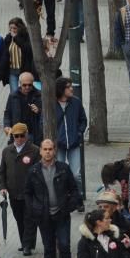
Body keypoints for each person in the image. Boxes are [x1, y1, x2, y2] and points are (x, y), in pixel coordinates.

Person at [24, 139, 83, 258]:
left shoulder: (63, 168)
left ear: (55, 150)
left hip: (61, 215)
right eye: (45, 149)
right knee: (49, 249)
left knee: (64, 246)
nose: (48, 152)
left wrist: (70, 206)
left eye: (50, 149)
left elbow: (74, 189)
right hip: (43, 217)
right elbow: (28, 193)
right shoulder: (34, 171)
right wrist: (34, 210)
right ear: (40, 151)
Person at [0, 122, 41, 256]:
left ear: (26, 135)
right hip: (13, 192)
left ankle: (27, 244)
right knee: (19, 218)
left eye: (22, 136)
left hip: (30, 193)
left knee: (29, 218)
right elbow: (2, 171)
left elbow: (39, 171)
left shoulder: (34, 150)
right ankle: (24, 242)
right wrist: (3, 187)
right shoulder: (7, 151)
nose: (19, 139)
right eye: (16, 136)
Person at [54, 76, 88, 204]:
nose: (71, 89)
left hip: (74, 144)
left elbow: (83, 120)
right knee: (60, 174)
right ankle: (62, 199)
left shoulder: (76, 102)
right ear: (61, 89)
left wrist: (79, 133)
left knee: (76, 175)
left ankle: (78, 198)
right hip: (59, 145)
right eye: (68, 87)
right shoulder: (52, 104)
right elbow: (44, 122)